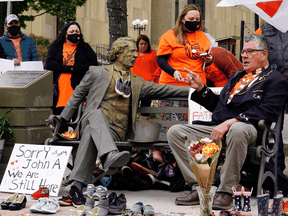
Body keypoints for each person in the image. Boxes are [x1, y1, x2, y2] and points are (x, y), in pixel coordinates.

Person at [167, 34, 288, 209]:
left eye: (249, 52)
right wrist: (201, 88)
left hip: (250, 129)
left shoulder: (275, 79)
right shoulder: (237, 76)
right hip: (220, 128)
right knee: (176, 132)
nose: (244, 56)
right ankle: (199, 187)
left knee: (237, 129)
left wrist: (232, 121)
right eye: (243, 52)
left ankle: (226, 191)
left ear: (263, 54)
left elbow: (269, 110)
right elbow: (220, 107)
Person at [59, 36, 189, 192]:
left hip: (116, 132)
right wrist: (62, 120)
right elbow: (78, 95)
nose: (135, 55)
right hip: (92, 119)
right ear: (118, 53)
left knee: (89, 132)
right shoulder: (97, 72)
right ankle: (109, 155)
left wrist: (195, 90)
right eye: (131, 51)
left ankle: (78, 182)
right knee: (95, 115)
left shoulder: (138, 82)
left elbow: (165, 90)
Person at [44, 21, 98, 115]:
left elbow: (93, 65)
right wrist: (70, 69)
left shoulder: (85, 48)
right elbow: (49, 64)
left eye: (77, 31)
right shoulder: (56, 47)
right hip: (59, 90)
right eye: (72, 31)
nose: (75, 33)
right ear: (65, 34)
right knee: (61, 117)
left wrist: (75, 69)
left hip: (78, 88)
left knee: (77, 116)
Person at [255, 23, 288, 172]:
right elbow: (253, 50)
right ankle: (277, 166)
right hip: (274, 81)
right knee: (274, 126)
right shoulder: (263, 29)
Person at [157, 4, 215, 87]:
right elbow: (160, 60)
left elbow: (207, 63)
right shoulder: (169, 35)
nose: (194, 21)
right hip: (172, 84)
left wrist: (210, 60)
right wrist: (173, 72)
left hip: (197, 85)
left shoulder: (204, 37)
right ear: (182, 19)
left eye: (197, 19)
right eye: (191, 19)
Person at [130, 34, 162, 119]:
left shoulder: (153, 54)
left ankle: (143, 124)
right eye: (141, 44)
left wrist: (152, 76)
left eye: (145, 44)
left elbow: (159, 67)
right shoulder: (133, 54)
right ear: (137, 44)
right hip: (134, 85)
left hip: (148, 84)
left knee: (146, 105)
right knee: (132, 105)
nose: (143, 45)